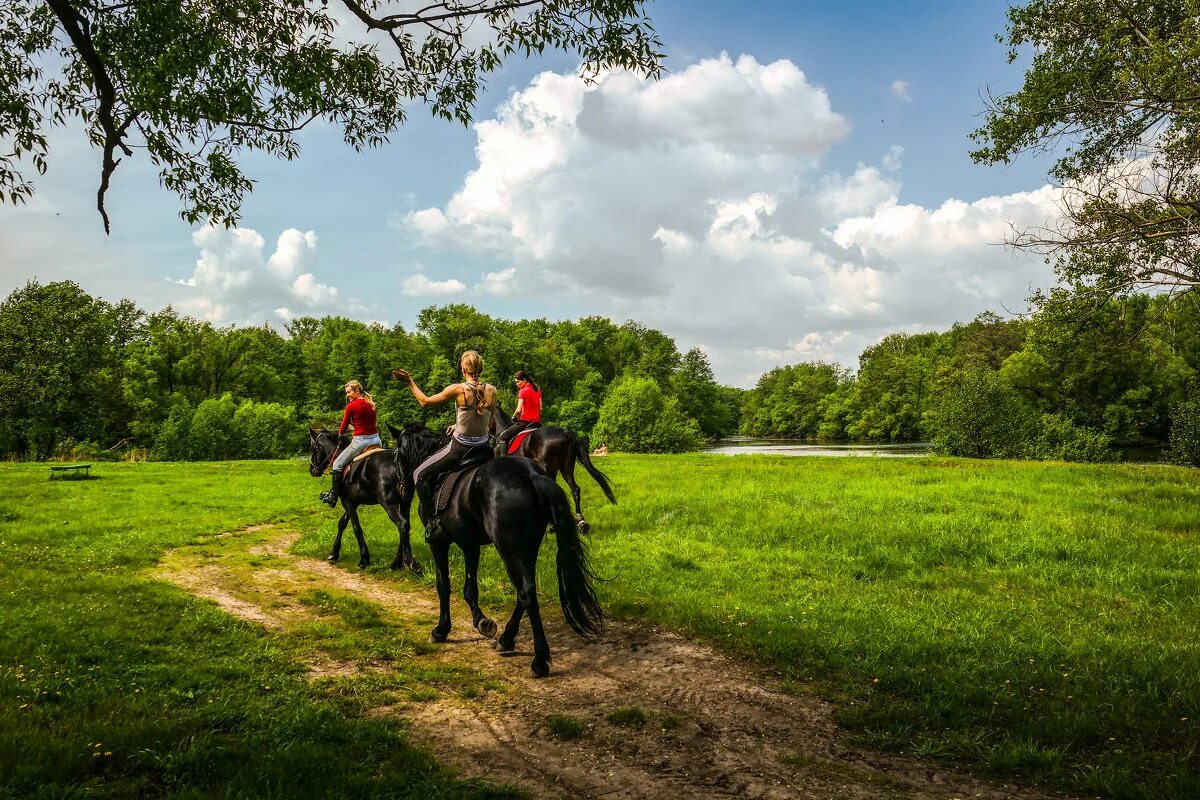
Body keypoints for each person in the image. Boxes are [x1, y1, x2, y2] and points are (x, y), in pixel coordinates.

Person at [391, 350, 497, 540]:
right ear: (480, 367)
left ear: (463, 368)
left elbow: (424, 402)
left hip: (460, 448)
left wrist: (410, 381)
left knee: (418, 475)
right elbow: (490, 424)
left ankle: (433, 522)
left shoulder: (458, 389)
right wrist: (459, 423)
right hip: (484, 447)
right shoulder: (492, 390)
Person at [320, 380, 381, 507]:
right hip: (376, 440)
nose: (347, 395)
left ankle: (333, 496)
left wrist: (341, 435)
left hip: (361, 442)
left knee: (337, 463)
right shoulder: (370, 403)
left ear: (356, 391)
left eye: (349, 392)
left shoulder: (351, 406)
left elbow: (343, 425)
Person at [495, 369, 543, 456]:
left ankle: (504, 461)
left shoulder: (522, 391)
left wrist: (513, 417)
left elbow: (518, 410)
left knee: (502, 437)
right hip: (537, 423)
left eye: (518, 382)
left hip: (524, 422)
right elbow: (540, 409)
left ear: (524, 380)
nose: (517, 384)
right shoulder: (537, 390)